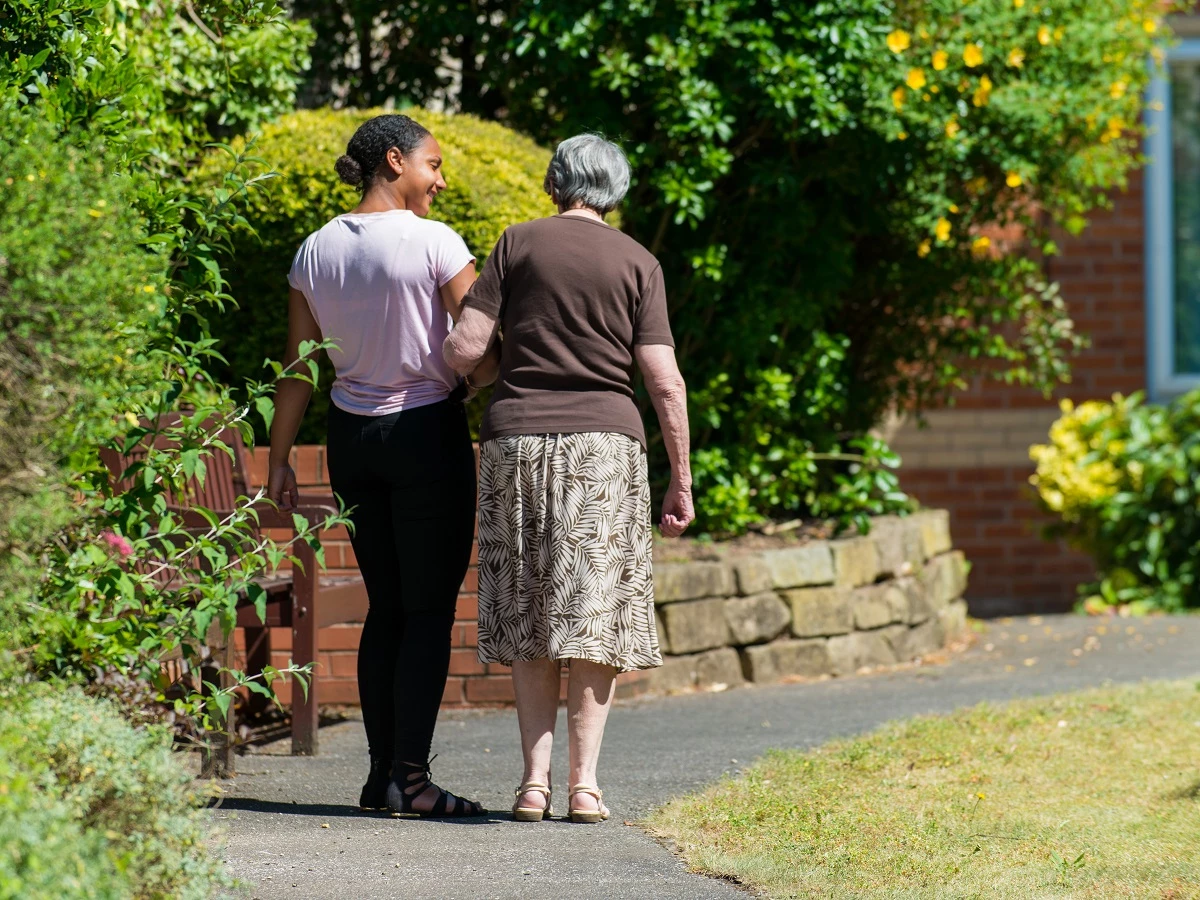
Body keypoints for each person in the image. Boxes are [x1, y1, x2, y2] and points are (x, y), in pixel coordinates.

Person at [443, 133, 694, 823]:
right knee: (590, 618)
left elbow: (467, 348)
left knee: (527, 611)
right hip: (604, 451)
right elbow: (664, 383)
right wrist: (683, 481)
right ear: (616, 189)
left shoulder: (515, 244)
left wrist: (453, 366)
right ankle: (584, 786)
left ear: (556, 182)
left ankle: (532, 784)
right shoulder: (640, 262)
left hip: (517, 444)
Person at [267, 114, 496, 818]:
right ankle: (413, 782)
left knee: (387, 608)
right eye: (433, 164)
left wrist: (278, 457)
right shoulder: (434, 241)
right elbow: (480, 342)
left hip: (352, 444)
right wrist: (483, 386)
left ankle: (381, 778)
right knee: (427, 611)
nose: (441, 179)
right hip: (425, 432)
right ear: (394, 161)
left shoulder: (314, 250)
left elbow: (300, 367)